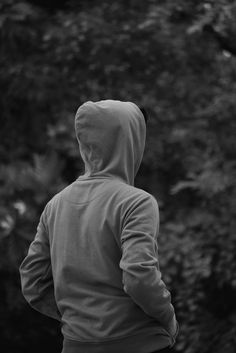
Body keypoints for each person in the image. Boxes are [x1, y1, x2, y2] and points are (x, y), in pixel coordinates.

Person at [19, 100, 178, 353]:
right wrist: (168, 318)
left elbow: (32, 281)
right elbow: (139, 277)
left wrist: (81, 320)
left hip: (76, 345)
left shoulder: (55, 205)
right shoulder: (137, 202)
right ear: (130, 142)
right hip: (141, 344)